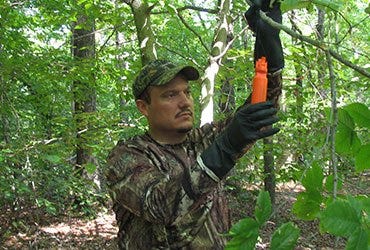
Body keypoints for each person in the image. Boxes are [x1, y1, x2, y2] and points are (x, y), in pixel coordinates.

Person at [106, 0, 284, 249]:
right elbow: (160, 205)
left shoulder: (202, 141)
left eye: (187, 92)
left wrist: (268, 51)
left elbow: (258, 112)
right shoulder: (126, 157)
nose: (184, 102)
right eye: (170, 95)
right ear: (143, 107)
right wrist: (226, 148)